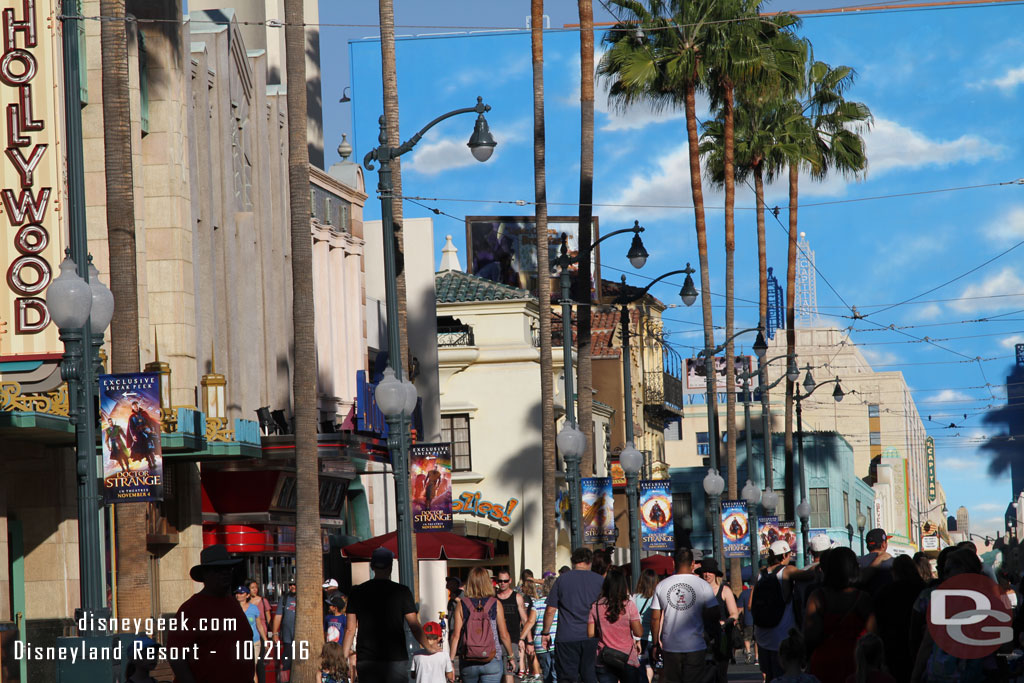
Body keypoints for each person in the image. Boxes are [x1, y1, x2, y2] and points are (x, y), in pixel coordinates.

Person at [167, 544, 257, 683]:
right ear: (205, 574)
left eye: (228, 569)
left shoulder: (233, 604)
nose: (225, 573)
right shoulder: (191, 609)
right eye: (218, 570)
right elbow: (176, 656)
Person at [342, 547, 427, 683]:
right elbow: (414, 624)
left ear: (372, 567)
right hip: (395, 658)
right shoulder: (402, 592)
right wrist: (428, 646)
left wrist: (343, 657)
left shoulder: (357, 592)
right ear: (390, 567)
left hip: (367, 658)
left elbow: (350, 629)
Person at [751, 540, 818, 683]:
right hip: (780, 635)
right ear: (784, 555)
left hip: (762, 635)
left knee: (768, 676)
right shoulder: (786, 571)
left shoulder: (760, 574)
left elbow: (751, 604)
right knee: (783, 675)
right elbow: (809, 575)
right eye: (789, 554)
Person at [650, 547, 720, 683]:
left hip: (670, 646)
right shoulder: (703, 585)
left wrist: (655, 644)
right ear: (693, 564)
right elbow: (715, 613)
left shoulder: (662, 585)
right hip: (695, 645)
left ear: (673, 563)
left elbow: (655, 618)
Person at [805, 548, 875, 683]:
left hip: (824, 663)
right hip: (856, 664)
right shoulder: (862, 598)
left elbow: (810, 635)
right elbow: (873, 635)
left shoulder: (818, 597)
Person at [541, 547, 605, 683]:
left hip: (567, 637)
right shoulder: (600, 581)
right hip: (592, 636)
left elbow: (550, 610)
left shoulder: (561, 580)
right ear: (589, 561)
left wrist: (545, 632)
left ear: (573, 561)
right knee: (590, 677)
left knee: (567, 678)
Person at [450, 567, 517, 683]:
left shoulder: (462, 604)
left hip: (468, 659)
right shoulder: (495, 604)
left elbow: (456, 636)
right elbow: (504, 634)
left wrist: (450, 661)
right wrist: (511, 656)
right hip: (492, 658)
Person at [871, 554, 924, 683]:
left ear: (895, 572)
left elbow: (877, 621)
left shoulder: (885, 592)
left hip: (893, 646)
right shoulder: (923, 590)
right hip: (918, 646)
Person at [588, 570, 643, 683]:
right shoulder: (629, 605)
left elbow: (590, 633)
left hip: (604, 657)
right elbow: (638, 632)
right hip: (627, 657)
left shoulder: (596, 606)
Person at [697, 557, 739, 683]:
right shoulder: (697, 591)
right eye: (704, 571)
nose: (707, 574)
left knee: (721, 672)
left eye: (710, 571)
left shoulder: (725, 591)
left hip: (722, 636)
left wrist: (726, 622)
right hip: (702, 637)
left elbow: (734, 613)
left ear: (715, 574)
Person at [496, 568, 531, 683]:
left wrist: (528, 641)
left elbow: (525, 620)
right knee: (498, 674)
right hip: (496, 640)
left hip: (512, 640)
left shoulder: (517, 597)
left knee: (509, 673)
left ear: (510, 581)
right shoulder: (494, 598)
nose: (502, 583)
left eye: (505, 581)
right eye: (500, 581)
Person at [237, 585, 268, 683]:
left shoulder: (254, 608)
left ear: (247, 595)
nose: (239, 595)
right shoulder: (234, 608)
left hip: (254, 642)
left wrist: (265, 639)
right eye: (237, 593)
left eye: (241, 593)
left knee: (252, 667)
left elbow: (259, 625)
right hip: (239, 643)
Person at [631, 569, 659, 679]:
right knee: (650, 666)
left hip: (638, 637)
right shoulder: (657, 598)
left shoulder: (634, 597)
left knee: (641, 665)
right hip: (653, 637)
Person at [271, 579, 297, 683]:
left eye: (294, 584)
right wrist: (275, 633)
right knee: (286, 663)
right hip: (287, 639)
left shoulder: (304, 597)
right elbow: (278, 616)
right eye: (290, 584)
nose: (292, 586)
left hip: (301, 639)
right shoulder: (285, 598)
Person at [533, 574, 558, 683]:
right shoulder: (560, 603)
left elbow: (530, 622)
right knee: (556, 673)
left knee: (547, 673)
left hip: (540, 643)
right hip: (557, 641)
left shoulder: (537, 603)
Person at [736, 582, 755, 666]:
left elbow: (739, 608)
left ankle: (748, 652)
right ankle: (757, 658)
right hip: (759, 620)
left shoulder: (744, 593)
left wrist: (735, 618)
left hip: (748, 620)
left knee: (747, 638)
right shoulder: (760, 592)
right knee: (757, 640)